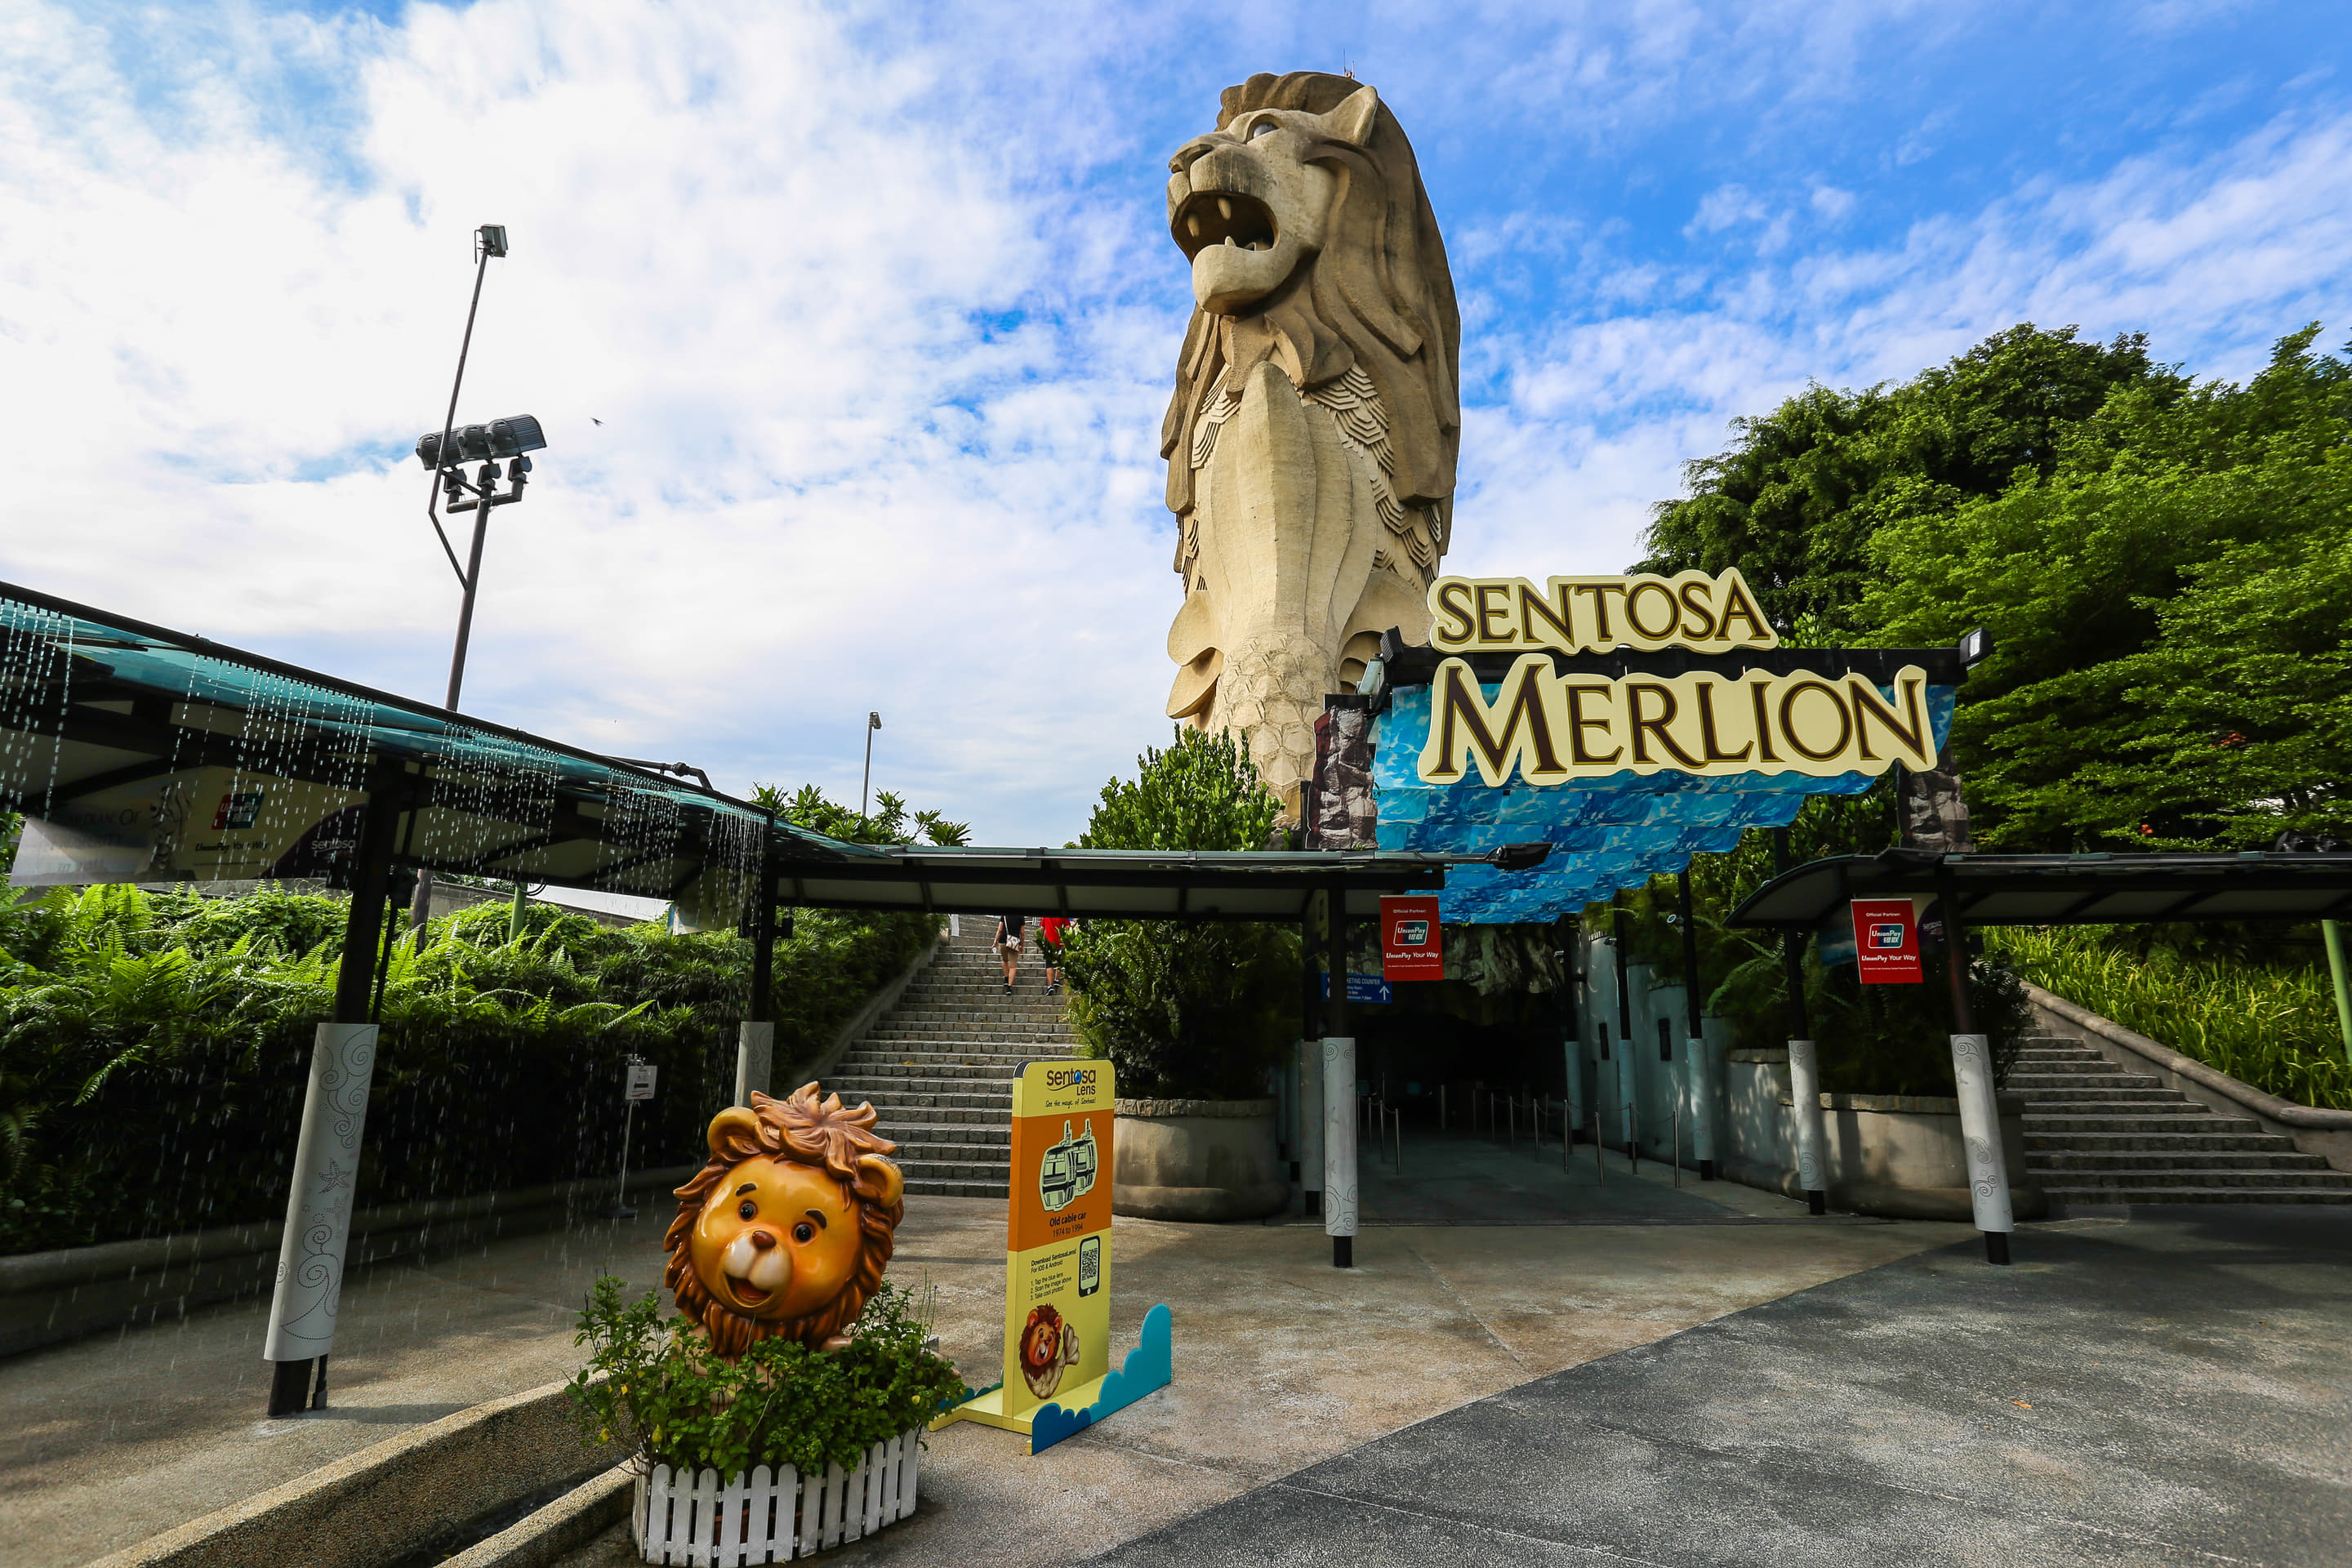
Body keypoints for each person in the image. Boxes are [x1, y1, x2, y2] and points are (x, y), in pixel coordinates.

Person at [1036, 915, 1071, 995]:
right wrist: (1065, 939)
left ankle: (1050, 986)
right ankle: (1056, 980)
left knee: (1049, 964)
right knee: (1060, 961)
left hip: (1048, 942)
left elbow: (1042, 929)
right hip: (1060, 942)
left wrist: (1041, 941)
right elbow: (1067, 927)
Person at [993, 914, 1026, 993]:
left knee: (1005, 960)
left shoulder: (1004, 915)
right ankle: (1009, 987)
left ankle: (1006, 978)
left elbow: (999, 930)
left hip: (1003, 940)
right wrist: (1022, 945)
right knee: (1013, 966)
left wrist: (995, 943)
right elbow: (1022, 933)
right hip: (1014, 941)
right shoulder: (1021, 916)